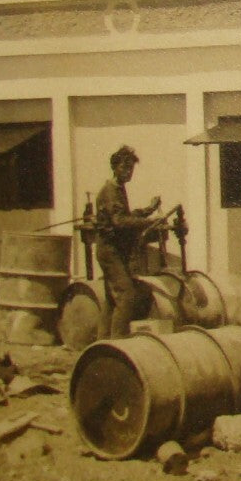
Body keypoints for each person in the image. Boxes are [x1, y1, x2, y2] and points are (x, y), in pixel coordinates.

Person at [95, 145, 162, 338]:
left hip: (114, 250)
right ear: (115, 167)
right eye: (125, 168)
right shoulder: (110, 191)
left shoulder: (118, 189)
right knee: (126, 295)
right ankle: (118, 343)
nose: (128, 172)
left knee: (111, 300)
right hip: (110, 251)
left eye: (131, 168)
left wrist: (149, 209)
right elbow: (119, 221)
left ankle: (101, 343)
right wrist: (148, 222)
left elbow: (125, 214)